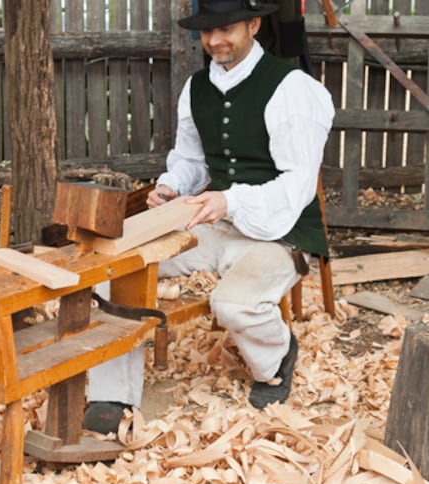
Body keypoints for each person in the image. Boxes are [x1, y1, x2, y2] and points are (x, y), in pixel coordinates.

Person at [84, 0, 335, 434]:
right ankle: (112, 393)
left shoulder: (292, 89)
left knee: (233, 304)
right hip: (216, 224)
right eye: (207, 31)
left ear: (254, 25)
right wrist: (172, 186)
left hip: (280, 231)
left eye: (227, 29)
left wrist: (230, 201)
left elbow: (296, 187)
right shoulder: (197, 87)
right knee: (114, 269)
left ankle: (276, 358)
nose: (215, 41)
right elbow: (190, 160)